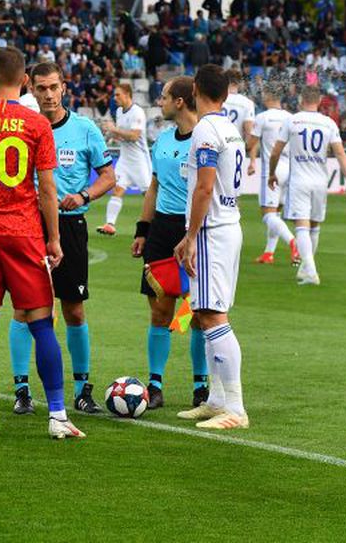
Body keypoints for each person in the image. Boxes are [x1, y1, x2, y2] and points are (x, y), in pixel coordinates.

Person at [0, 46, 83, 440]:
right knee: (41, 325)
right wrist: (54, 239)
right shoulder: (37, 124)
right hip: (24, 233)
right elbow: (47, 189)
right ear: (25, 81)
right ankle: (57, 416)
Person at [10, 62, 115, 415]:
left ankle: (82, 389)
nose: (49, 94)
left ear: (64, 87)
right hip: (29, 227)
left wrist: (84, 196)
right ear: (32, 90)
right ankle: (21, 389)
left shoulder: (85, 129)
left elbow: (108, 176)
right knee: (25, 308)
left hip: (70, 224)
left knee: (73, 308)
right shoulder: (23, 129)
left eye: (54, 87)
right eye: (41, 88)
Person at [175, 65, 248, 430]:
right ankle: (217, 399)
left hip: (213, 230)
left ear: (196, 90)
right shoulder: (230, 128)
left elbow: (204, 187)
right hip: (228, 225)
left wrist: (191, 235)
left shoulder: (205, 129)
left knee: (214, 315)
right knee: (204, 315)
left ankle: (235, 407)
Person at [130, 76, 210, 411]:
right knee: (160, 311)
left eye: (163, 97)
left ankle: (201, 386)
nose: (158, 102)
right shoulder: (162, 139)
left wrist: (194, 232)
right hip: (161, 231)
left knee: (200, 313)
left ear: (179, 102)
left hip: (194, 230)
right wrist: (142, 229)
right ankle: (155, 384)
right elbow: (154, 188)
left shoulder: (205, 140)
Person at [269, 85, 346, 286]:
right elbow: (340, 153)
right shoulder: (328, 123)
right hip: (320, 181)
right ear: (319, 102)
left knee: (302, 224)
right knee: (315, 225)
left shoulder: (292, 120)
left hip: (299, 180)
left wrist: (272, 173)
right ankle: (306, 268)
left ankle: (311, 271)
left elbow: (276, 152)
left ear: (301, 100)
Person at [247, 85, 298, 266]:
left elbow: (250, 143)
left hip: (272, 171)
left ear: (268, 97)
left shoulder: (262, 118)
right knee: (276, 213)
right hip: (290, 171)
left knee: (268, 214)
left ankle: (294, 242)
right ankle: (269, 253)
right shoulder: (291, 118)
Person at [97, 83, 152, 236]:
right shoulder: (120, 112)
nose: (115, 98)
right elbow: (122, 134)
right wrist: (109, 134)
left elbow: (134, 136)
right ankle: (110, 224)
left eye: (118, 95)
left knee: (148, 194)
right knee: (117, 190)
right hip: (125, 159)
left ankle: (156, 223)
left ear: (127, 95)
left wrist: (114, 129)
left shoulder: (137, 112)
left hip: (139, 160)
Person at [221, 69, 255, 141]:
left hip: (217, 144)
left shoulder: (217, 98)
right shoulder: (247, 103)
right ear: (239, 83)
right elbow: (248, 132)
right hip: (236, 145)